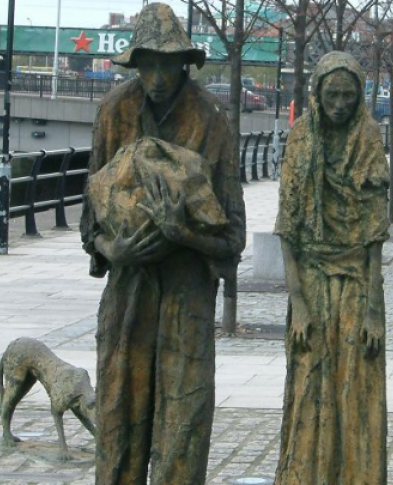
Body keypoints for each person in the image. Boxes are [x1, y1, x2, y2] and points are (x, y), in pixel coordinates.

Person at [79, 4, 246, 484]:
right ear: (134, 65)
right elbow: (91, 214)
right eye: (146, 64)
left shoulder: (211, 118)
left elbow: (233, 235)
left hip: (185, 296)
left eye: (166, 64)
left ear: (184, 64)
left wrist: (185, 234)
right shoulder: (114, 112)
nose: (156, 77)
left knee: (182, 429)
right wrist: (113, 251)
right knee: (118, 426)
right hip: (128, 294)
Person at [273, 51, 390, 485]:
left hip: (358, 282)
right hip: (311, 279)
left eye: (347, 94)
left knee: (355, 385)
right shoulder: (302, 137)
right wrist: (298, 303)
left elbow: (375, 234)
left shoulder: (369, 137)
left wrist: (374, 310)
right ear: (317, 94)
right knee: (309, 384)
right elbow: (287, 228)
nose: (339, 103)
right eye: (331, 94)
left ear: (360, 95)